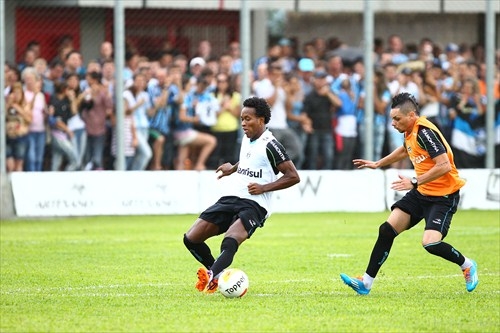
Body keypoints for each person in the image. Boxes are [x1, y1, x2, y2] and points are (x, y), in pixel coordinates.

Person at [340, 92, 478, 295]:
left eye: (397, 119)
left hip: (443, 196)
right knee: (387, 230)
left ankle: (467, 265)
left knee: (430, 243)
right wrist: (378, 163)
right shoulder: (409, 131)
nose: (393, 123)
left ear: (412, 115)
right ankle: (365, 283)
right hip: (422, 192)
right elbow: (405, 150)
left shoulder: (425, 132)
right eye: (392, 119)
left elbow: (444, 165)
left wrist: (414, 182)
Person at [183, 96, 300, 293]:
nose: (244, 123)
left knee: (230, 240)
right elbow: (250, 161)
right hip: (232, 197)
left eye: (248, 119)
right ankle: (219, 275)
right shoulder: (247, 139)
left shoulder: (272, 145)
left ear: (261, 120)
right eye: (242, 119)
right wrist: (233, 169)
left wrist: (264, 187)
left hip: (255, 204)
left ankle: (212, 276)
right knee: (191, 238)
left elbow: (293, 176)